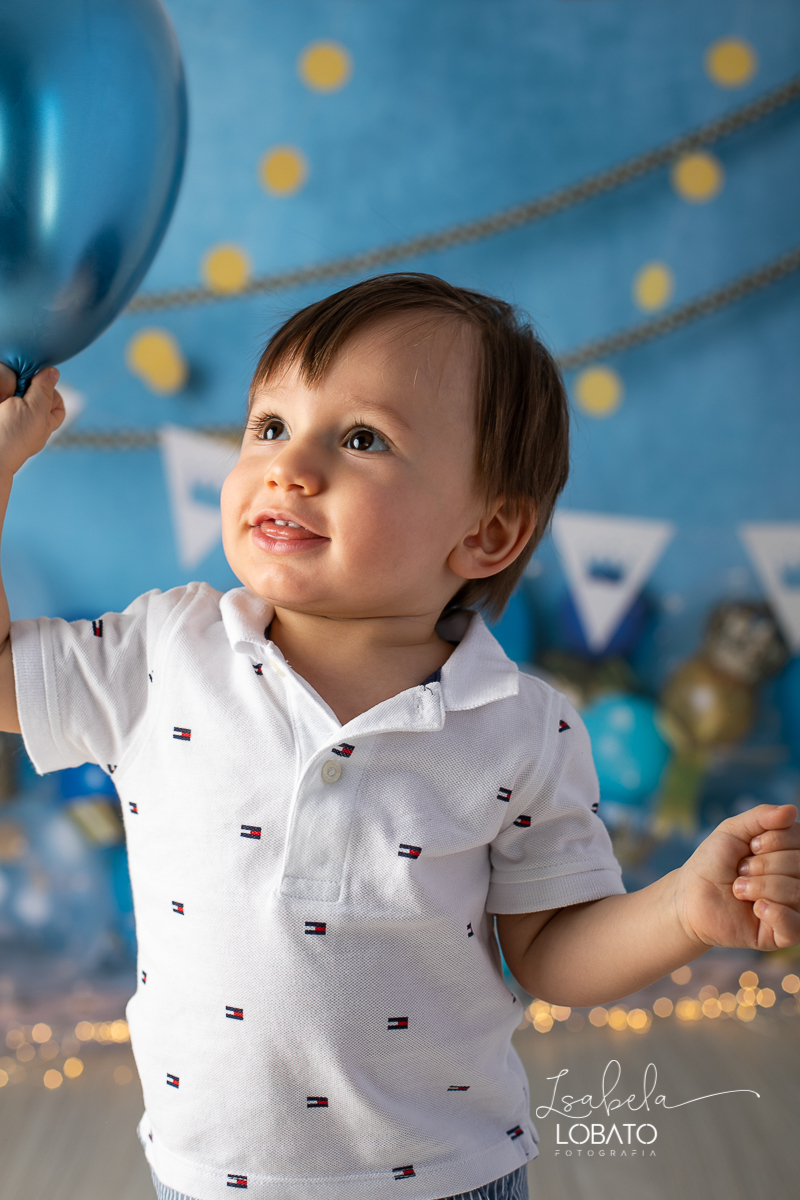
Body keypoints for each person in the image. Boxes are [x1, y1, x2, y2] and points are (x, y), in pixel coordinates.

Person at [0, 273, 798, 1200]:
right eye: (268, 427)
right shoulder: (162, 654)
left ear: (488, 533)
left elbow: (550, 952)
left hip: (450, 1179)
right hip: (208, 1179)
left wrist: (683, 912)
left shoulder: (519, 727)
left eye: (362, 438)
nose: (288, 467)